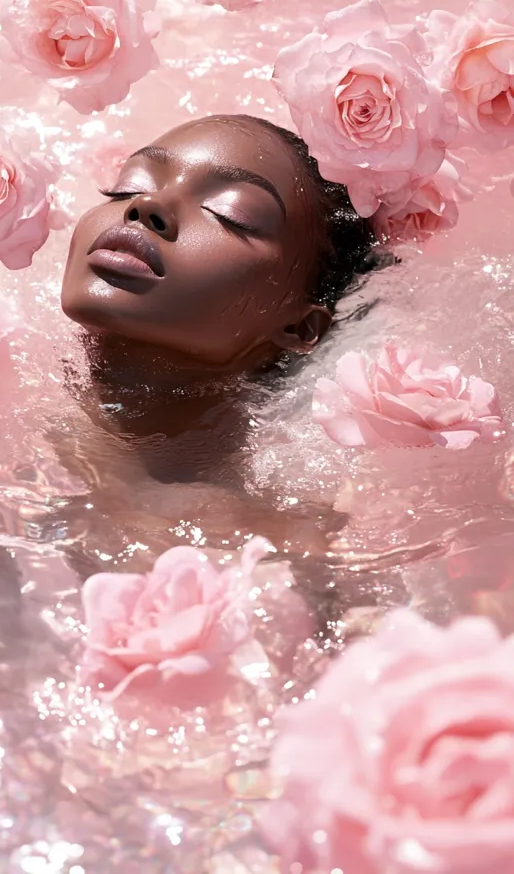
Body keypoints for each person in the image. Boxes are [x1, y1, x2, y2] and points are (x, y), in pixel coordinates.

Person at [57, 113, 376, 565]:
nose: (146, 207)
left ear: (299, 327)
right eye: (128, 187)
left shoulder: (270, 552)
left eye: (230, 214)